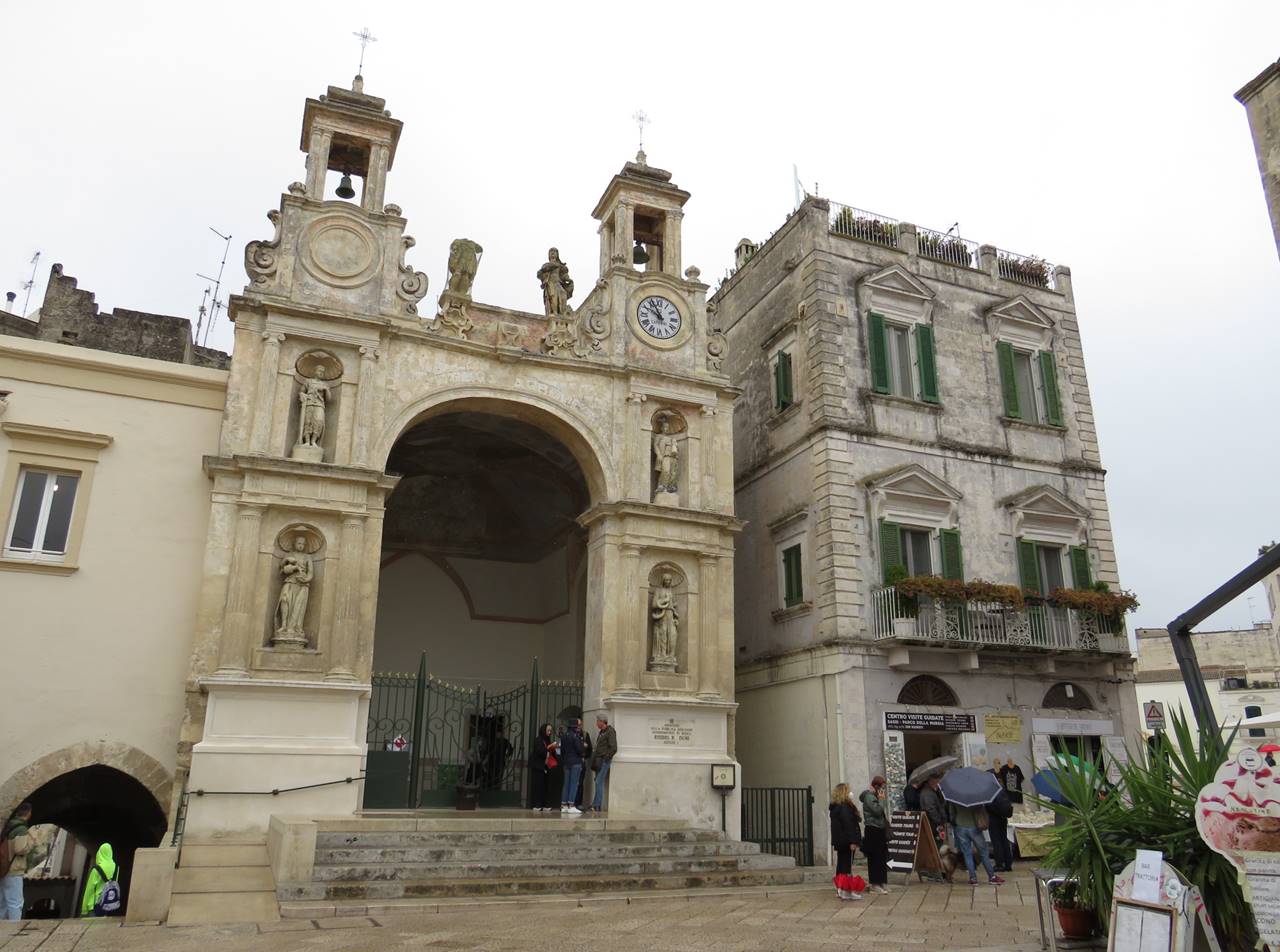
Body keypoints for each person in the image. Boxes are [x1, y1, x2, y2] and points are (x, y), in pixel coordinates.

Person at [3, 803, 45, 921]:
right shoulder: (21, 828)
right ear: (29, 813)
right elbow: (20, 849)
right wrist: (32, 842)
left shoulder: (8, 825)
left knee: (3, 901)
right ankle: (14, 927)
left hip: (4, 867)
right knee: (15, 902)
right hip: (14, 869)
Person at [951, 803, 1004, 886]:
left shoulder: (954, 798)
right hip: (974, 827)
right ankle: (992, 877)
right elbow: (980, 811)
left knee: (967, 854)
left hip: (960, 827)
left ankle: (973, 878)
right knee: (983, 852)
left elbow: (952, 814)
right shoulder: (975, 797)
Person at [828, 783, 863, 901]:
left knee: (842, 864)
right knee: (846, 866)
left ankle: (841, 889)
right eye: (848, 791)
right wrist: (853, 841)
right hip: (846, 841)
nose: (851, 793)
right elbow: (849, 825)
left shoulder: (836, 807)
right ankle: (845, 890)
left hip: (841, 840)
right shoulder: (844, 807)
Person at [859, 776, 890, 894]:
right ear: (876, 786)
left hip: (880, 829)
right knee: (875, 857)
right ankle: (875, 883)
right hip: (873, 829)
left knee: (882, 856)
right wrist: (881, 799)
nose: (883, 790)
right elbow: (877, 811)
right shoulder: (869, 797)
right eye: (882, 787)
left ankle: (882, 881)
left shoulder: (875, 796)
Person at [79, 843, 119, 916]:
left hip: (94, 905)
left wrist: (84, 909)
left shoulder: (96, 869)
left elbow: (89, 889)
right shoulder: (116, 868)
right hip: (108, 903)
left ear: (99, 853)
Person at [588, 715, 617, 813]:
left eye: (597, 721)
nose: (596, 723)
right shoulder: (601, 732)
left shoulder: (610, 731)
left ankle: (597, 805)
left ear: (602, 722)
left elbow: (613, 747)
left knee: (598, 782)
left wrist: (606, 757)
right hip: (598, 761)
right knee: (597, 781)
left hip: (604, 761)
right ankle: (595, 804)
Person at [559, 719, 585, 815]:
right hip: (575, 762)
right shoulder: (575, 736)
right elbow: (579, 750)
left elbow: (562, 751)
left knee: (566, 784)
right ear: (575, 727)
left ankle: (564, 805)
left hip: (566, 762)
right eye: (577, 726)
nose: (578, 728)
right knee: (574, 784)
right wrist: (583, 746)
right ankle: (571, 805)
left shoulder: (564, 736)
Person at [529, 723, 558, 812]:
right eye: (548, 730)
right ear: (543, 730)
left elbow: (551, 753)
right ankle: (537, 805)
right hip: (539, 767)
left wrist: (552, 748)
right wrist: (549, 748)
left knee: (545, 786)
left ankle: (545, 804)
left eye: (550, 731)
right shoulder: (538, 740)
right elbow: (540, 751)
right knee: (538, 786)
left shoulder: (548, 740)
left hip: (546, 767)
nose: (549, 732)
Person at [987, 787, 1015, 872]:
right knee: (1004, 839)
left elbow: (990, 806)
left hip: (993, 819)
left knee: (996, 841)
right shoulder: (1001, 789)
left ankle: (999, 864)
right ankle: (1008, 863)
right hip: (1003, 819)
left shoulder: (989, 792)